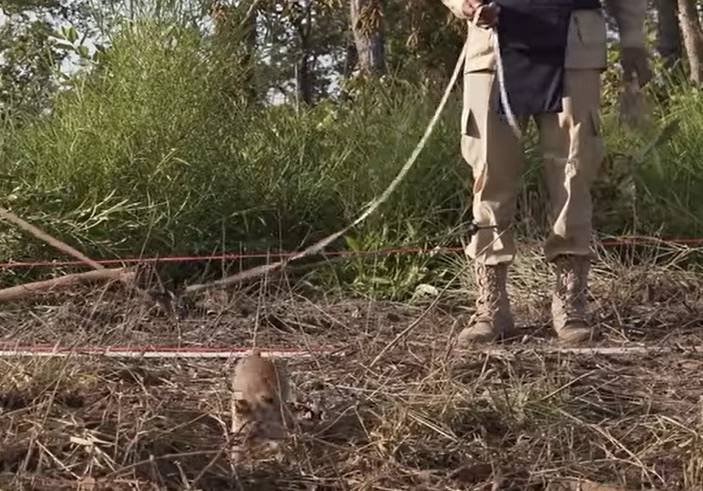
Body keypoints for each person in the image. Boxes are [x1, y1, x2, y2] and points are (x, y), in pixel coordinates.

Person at [440, 0, 651, 345]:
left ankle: (571, 300)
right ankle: (492, 305)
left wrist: (633, 39)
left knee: (573, 170)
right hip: (492, 45)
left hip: (573, 45)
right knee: (490, 170)